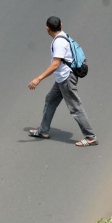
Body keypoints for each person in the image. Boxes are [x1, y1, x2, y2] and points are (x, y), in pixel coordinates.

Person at [28, 16, 98, 147]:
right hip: (62, 78)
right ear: (61, 25)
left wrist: (38, 79)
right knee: (50, 99)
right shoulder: (63, 36)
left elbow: (55, 65)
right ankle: (43, 130)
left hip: (66, 79)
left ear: (47, 28)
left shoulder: (58, 43)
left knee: (75, 108)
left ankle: (90, 137)